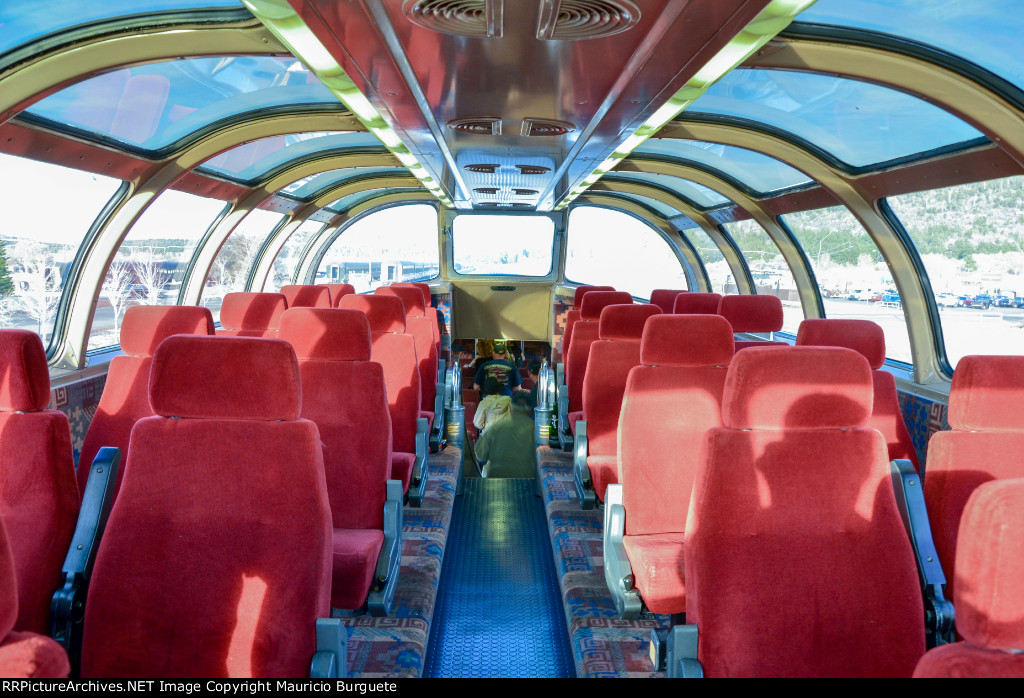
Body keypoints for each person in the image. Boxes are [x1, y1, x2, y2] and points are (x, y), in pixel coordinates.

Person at [475, 392, 536, 479]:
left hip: (497, 481)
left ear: (511, 409)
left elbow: (480, 455)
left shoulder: (496, 428)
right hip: (527, 482)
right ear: (530, 411)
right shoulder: (535, 430)